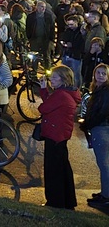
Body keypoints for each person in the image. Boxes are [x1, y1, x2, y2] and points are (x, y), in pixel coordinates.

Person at [38, 64, 81, 210]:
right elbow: (50, 104)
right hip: (61, 135)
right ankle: (67, 201)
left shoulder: (60, 95)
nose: (51, 79)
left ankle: (55, 202)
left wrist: (45, 91)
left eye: (54, 77)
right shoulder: (67, 93)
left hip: (54, 135)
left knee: (53, 171)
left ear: (63, 79)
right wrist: (45, 90)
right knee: (63, 169)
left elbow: (43, 108)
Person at [81, 63, 109, 208]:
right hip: (100, 127)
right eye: (98, 73)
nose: (101, 76)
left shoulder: (105, 92)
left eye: (104, 73)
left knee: (104, 164)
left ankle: (106, 196)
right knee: (104, 164)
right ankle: (105, 192)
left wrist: (87, 124)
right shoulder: (98, 89)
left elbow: (102, 113)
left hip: (101, 129)